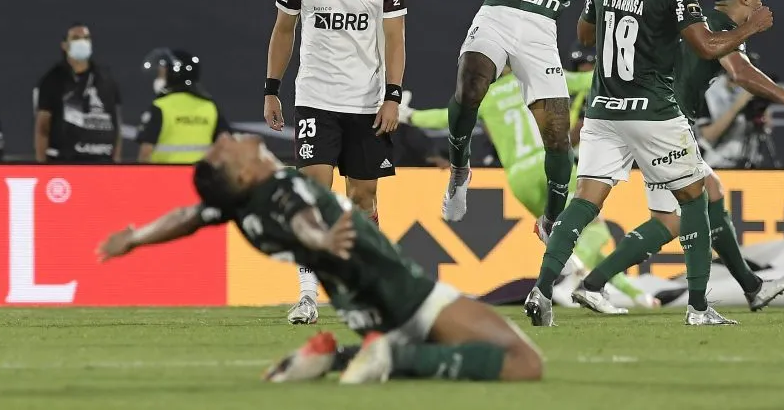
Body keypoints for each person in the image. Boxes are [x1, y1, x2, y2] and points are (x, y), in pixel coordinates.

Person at [97, 132, 544, 384]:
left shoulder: (241, 203)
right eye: (223, 148)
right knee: (525, 362)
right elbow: (301, 218)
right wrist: (323, 238)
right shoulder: (279, 187)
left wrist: (137, 238)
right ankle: (386, 356)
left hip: (361, 306)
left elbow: (189, 216)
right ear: (242, 172)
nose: (227, 138)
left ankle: (337, 357)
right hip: (399, 290)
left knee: (449, 356)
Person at [523, 0, 776, 327]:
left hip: (604, 110)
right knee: (695, 196)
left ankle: (542, 289)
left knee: (585, 202)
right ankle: (699, 308)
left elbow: (585, 35)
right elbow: (707, 45)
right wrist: (750, 26)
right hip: (653, 110)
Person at [571, 0, 784, 314]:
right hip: (664, 126)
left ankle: (752, 286)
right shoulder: (718, 30)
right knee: (670, 220)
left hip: (655, 120)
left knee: (711, 191)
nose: (762, 4)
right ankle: (594, 284)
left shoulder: (699, 23)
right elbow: (741, 73)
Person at [263, 0, 406, 325]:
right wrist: (272, 88)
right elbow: (284, 30)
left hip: (366, 102)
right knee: (312, 196)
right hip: (315, 98)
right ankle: (308, 294)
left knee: (362, 201)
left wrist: (392, 97)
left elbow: (396, 39)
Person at [403, 65, 659, 311]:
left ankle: (637, 296)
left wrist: (409, 115)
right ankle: (571, 275)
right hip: (550, 162)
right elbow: (587, 80)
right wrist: (633, 71)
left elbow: (446, 117)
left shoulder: (486, 96)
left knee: (564, 236)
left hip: (518, 177)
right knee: (592, 227)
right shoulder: (539, 77)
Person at [442, 0, 597, 235]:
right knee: (471, 83)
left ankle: (550, 220)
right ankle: (459, 171)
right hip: (497, 13)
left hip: (541, 28)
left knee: (558, 136)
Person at [34, 23, 122, 163]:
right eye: (76, 38)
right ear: (64, 45)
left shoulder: (106, 79)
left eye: (86, 38)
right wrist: (41, 166)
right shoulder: (52, 80)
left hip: (102, 162)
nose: (82, 42)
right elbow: (42, 128)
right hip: (65, 163)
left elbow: (116, 124)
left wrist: (116, 160)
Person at [137, 48, 231, 164]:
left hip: (165, 177)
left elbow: (146, 151)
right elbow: (225, 142)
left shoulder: (161, 106)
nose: (159, 78)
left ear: (173, 74)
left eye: (162, 73)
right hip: (200, 178)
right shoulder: (210, 106)